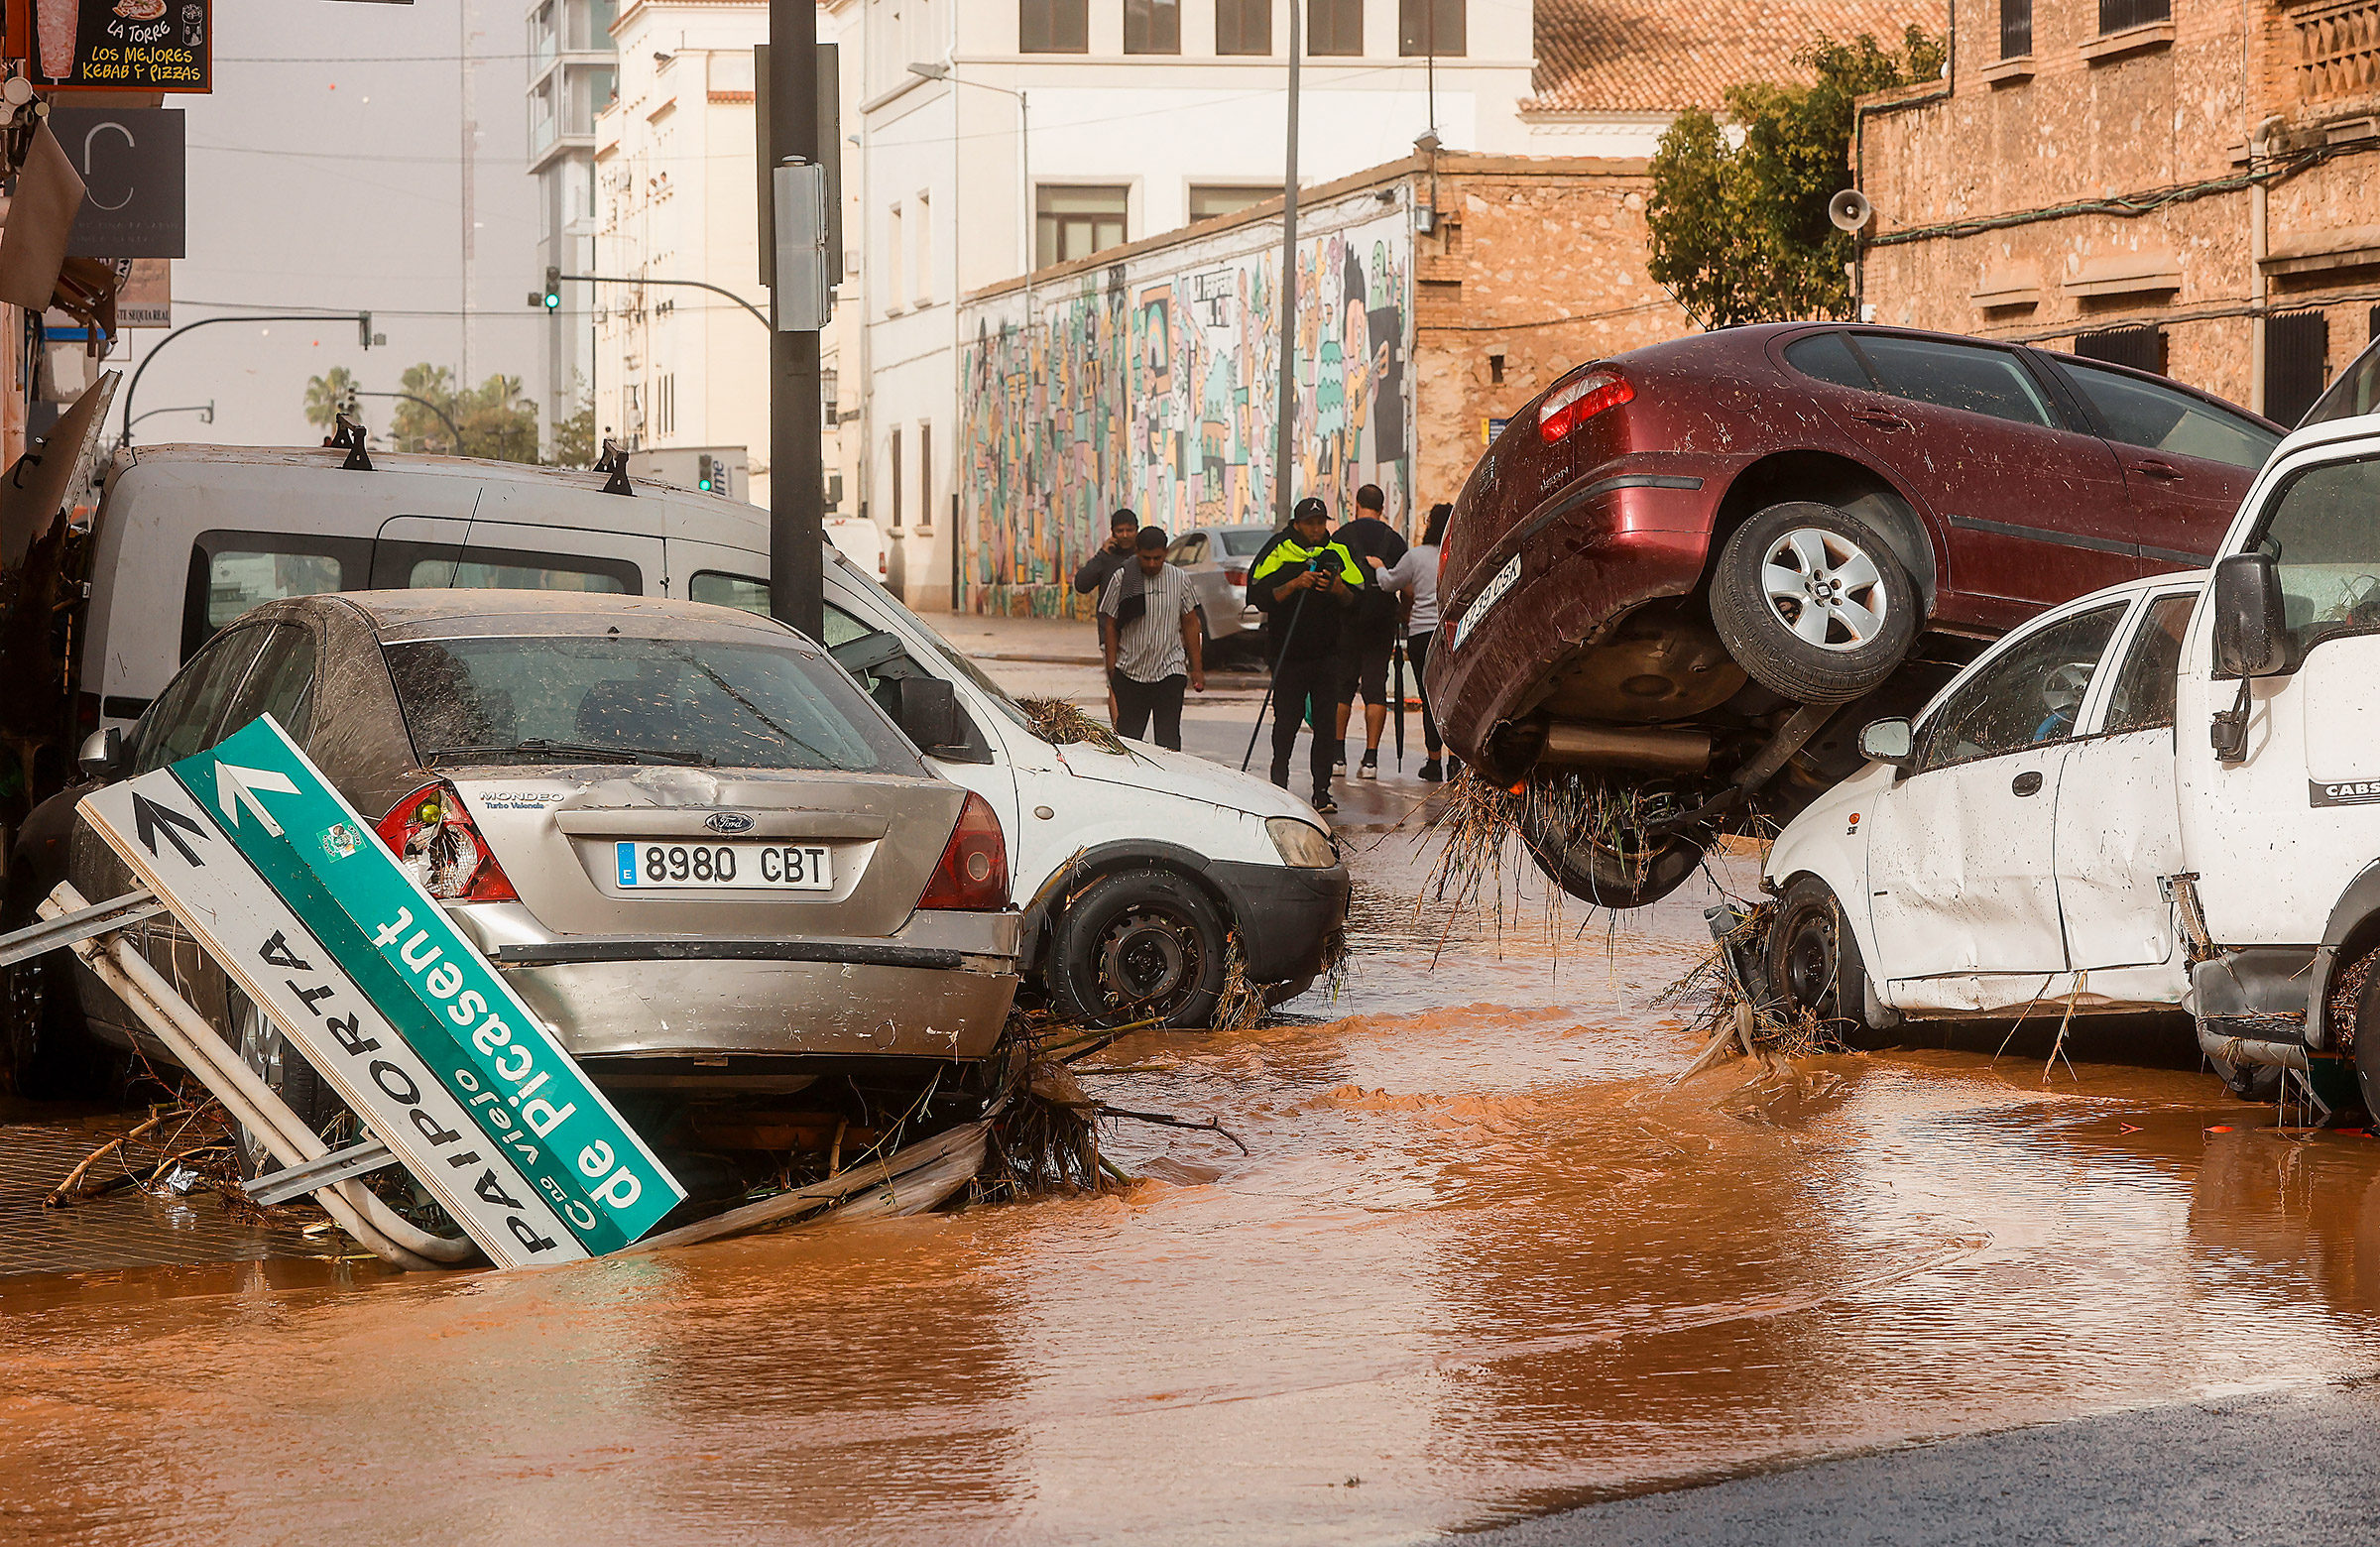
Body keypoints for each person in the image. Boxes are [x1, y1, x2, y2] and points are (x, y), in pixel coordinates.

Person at [1247, 497, 1364, 815]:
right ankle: (1278, 784)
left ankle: (1321, 792)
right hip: (1288, 655)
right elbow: (1257, 594)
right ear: (1297, 524)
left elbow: (1361, 597)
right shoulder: (1280, 548)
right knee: (1286, 722)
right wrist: (1295, 583)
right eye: (1309, 523)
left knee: (1326, 725)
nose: (1316, 528)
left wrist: (1338, 588)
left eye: (1320, 522)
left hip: (1328, 654)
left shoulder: (1338, 551)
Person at [1099, 525, 1204, 750]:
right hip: (1131, 672)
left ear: (1165, 554)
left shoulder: (1179, 579)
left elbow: (1190, 622)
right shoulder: (1123, 578)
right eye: (1146, 558)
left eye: (1157, 558)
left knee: (1168, 743)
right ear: (1137, 552)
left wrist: (1197, 668)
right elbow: (1111, 625)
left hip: (1169, 669)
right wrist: (1111, 668)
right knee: (1129, 742)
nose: (1152, 564)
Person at [1330, 483, 1408, 780]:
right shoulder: (1395, 541)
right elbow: (1406, 585)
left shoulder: (1341, 538)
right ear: (1382, 507)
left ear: (1356, 504)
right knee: (1375, 687)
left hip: (1346, 619)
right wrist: (1405, 612)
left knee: (1343, 686)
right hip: (1382, 620)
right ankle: (1371, 760)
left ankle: (1338, 756)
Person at [1379, 501, 1451, 780]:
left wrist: (1377, 567)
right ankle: (1455, 761)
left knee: (1428, 698)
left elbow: (1389, 583)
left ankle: (1433, 762)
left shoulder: (1417, 555)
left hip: (1422, 633)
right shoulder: (1459, 552)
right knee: (1451, 696)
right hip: (1453, 632)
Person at [1074, 508, 1140, 723]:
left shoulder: (1145, 557)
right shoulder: (1107, 558)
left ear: (1136, 530)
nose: (1124, 535)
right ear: (1112, 532)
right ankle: (1121, 734)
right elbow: (1081, 584)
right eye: (1119, 530)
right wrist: (1101, 555)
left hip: (1141, 632)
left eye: (1129, 530)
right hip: (1110, 634)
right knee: (1115, 685)